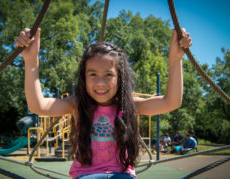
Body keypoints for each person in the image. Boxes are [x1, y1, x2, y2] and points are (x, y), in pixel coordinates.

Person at [15, 26, 192, 179]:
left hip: (121, 175)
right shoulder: (76, 105)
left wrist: (175, 59)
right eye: (93, 74)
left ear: (120, 77)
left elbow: (171, 102)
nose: (100, 83)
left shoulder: (129, 104)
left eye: (108, 75)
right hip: (86, 175)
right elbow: (38, 106)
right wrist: (31, 61)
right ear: (84, 78)